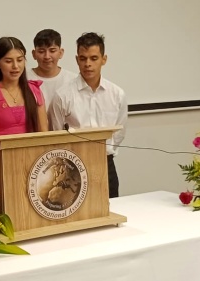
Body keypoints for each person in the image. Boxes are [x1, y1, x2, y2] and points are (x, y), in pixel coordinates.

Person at [48, 32, 127, 198]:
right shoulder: (62, 95)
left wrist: (107, 149)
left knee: (112, 209)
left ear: (104, 59)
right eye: (83, 59)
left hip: (106, 163)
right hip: (73, 167)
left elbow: (119, 132)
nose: (88, 64)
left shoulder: (117, 94)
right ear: (77, 60)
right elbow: (55, 134)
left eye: (94, 58)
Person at [0, 37, 48, 143]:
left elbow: (44, 135)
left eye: (20, 60)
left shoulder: (34, 91)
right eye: (8, 61)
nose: (15, 66)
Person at [27, 29, 76, 112]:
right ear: (34, 54)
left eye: (52, 51)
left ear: (61, 53)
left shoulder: (73, 80)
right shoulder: (24, 78)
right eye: (41, 51)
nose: (47, 56)